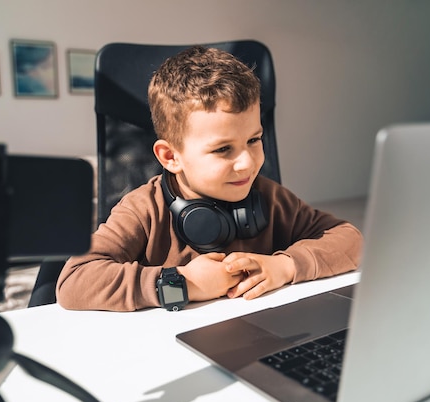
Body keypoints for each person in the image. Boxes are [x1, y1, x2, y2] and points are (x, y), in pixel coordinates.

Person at [56, 45, 363, 312]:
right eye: (223, 149)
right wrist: (181, 284)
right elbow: (74, 280)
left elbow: (350, 240)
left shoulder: (271, 199)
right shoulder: (142, 210)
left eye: (254, 140)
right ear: (170, 157)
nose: (247, 163)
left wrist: (286, 265)